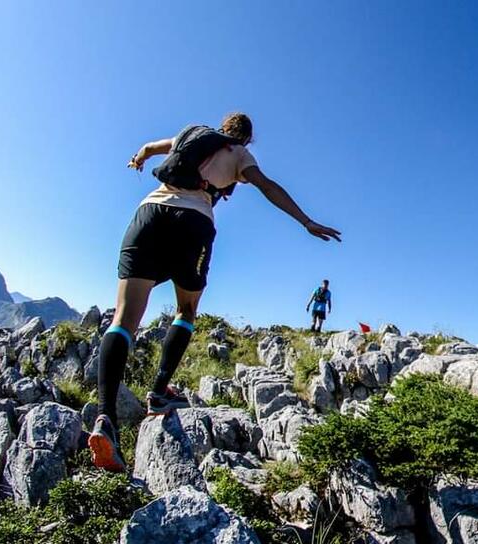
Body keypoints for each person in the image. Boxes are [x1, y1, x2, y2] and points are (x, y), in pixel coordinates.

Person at [87, 113, 341, 473]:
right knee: (185, 311)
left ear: (221, 125)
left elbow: (146, 148)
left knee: (123, 319)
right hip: (192, 221)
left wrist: (139, 159)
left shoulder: (189, 134)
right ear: (247, 139)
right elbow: (267, 186)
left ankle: (104, 418)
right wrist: (306, 221)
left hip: (147, 215)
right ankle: (159, 393)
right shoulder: (239, 154)